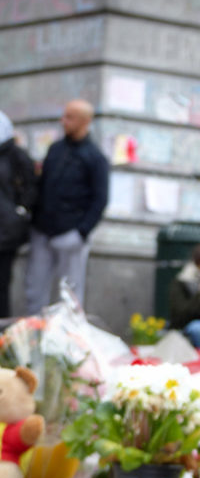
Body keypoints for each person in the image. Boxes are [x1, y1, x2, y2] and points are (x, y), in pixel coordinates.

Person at [25, 100, 109, 313]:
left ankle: (67, 341)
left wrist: (81, 232)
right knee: (34, 291)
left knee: (70, 296)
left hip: (71, 234)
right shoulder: (55, 149)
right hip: (42, 231)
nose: (64, 121)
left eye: (70, 117)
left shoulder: (95, 157)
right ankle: (33, 337)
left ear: (85, 121)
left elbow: (100, 199)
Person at [0, 112, 36, 318]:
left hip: (6, 232)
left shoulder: (16, 156)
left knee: (2, 284)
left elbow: (31, 187)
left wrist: (20, 212)